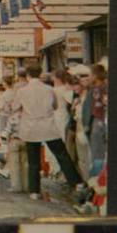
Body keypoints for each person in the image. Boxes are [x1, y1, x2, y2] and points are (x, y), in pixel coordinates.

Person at [17, 64, 85, 199]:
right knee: (62, 155)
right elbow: (55, 106)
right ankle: (76, 183)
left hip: (31, 127)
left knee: (33, 160)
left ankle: (34, 191)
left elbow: (16, 107)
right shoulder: (49, 89)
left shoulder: (22, 91)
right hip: (48, 126)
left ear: (28, 76)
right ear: (40, 74)